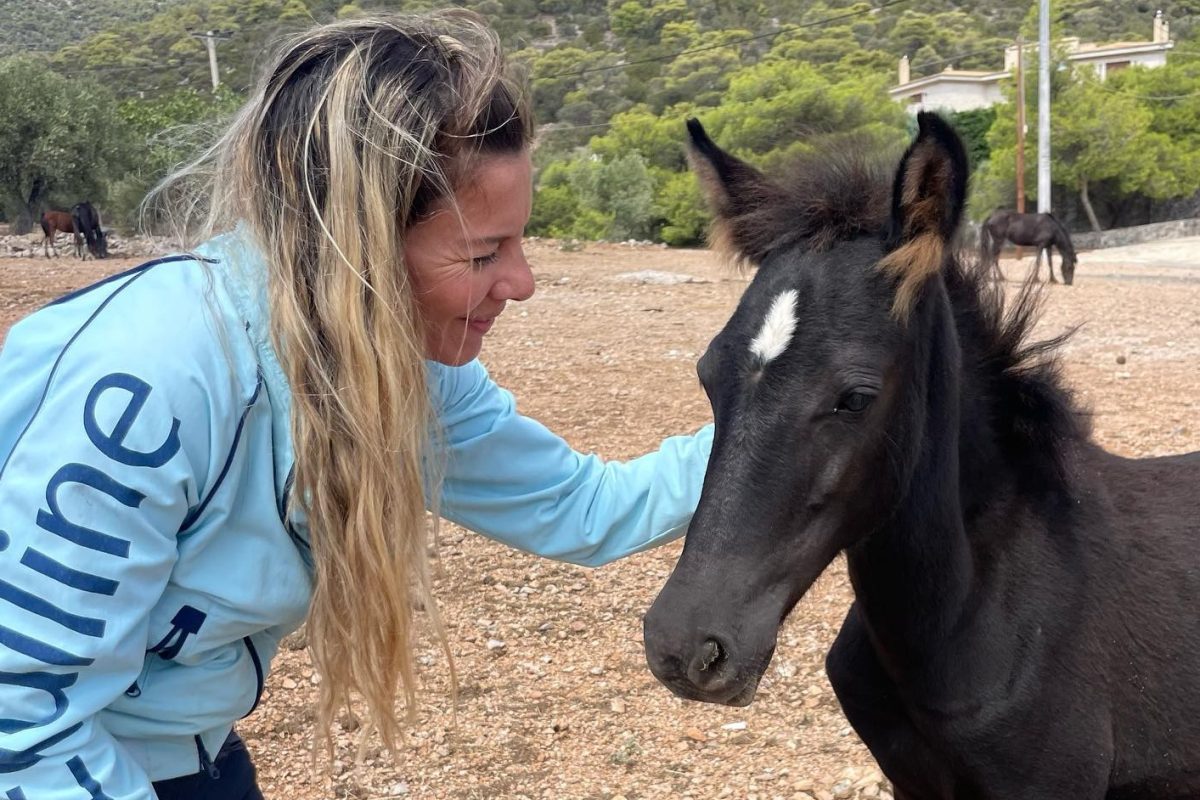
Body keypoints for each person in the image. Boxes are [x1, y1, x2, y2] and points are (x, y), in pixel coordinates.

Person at [0, 11, 713, 799]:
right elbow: (22, 719)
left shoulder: (401, 371)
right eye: (483, 253)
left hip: (199, 761)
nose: (522, 283)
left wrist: (791, 431)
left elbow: (587, 506)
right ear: (356, 239)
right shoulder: (149, 381)